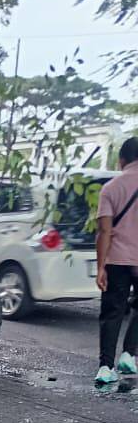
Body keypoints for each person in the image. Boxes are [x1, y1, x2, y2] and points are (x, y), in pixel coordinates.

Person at [96, 137, 138, 384]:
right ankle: (129, 354)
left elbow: (104, 231)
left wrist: (101, 266)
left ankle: (105, 366)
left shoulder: (110, 188)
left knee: (112, 312)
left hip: (117, 260)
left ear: (122, 159)